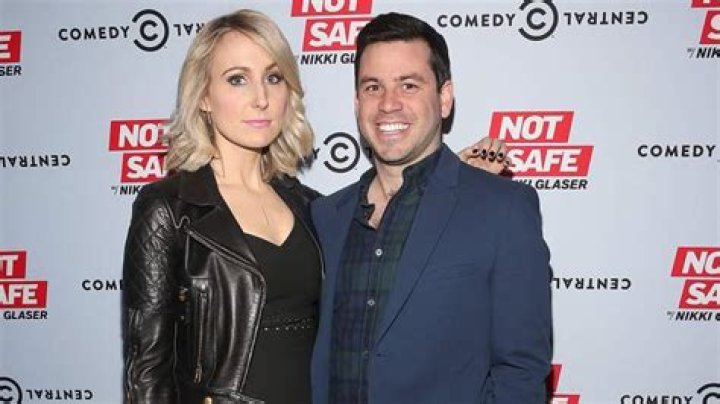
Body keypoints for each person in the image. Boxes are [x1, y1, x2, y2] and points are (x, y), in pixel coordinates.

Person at [121, 9, 509, 404]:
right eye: (237, 79)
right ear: (204, 96)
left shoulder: (312, 208)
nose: (261, 98)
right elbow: (147, 373)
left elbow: (389, 278)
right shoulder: (170, 210)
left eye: (273, 78)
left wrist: (453, 183)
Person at [310, 12, 552, 404]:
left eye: (408, 85)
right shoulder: (326, 216)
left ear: (444, 98)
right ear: (357, 102)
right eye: (373, 87)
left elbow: (521, 372)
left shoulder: (503, 210)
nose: (388, 104)